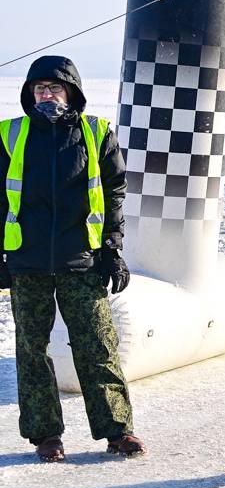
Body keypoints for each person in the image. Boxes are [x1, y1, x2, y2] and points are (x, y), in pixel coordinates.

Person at [0, 55, 144, 461]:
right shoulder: (10, 134)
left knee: (98, 344)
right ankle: (46, 436)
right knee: (32, 349)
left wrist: (113, 249)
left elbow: (115, 190)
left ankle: (118, 431)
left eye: (54, 87)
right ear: (30, 93)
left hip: (82, 260)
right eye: (39, 88)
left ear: (72, 91)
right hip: (27, 263)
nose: (46, 94)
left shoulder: (96, 132)